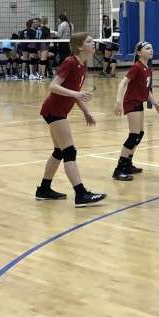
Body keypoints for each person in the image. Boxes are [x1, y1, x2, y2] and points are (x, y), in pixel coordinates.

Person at [34, 32, 106, 207]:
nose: (93, 43)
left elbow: (74, 92)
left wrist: (85, 111)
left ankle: (44, 189)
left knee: (59, 151)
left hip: (58, 111)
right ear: (80, 46)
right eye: (89, 41)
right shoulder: (70, 62)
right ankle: (81, 194)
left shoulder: (83, 65)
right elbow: (53, 86)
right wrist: (76, 94)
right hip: (54, 110)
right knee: (69, 151)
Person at [111, 41, 159, 180]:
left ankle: (128, 163)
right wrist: (118, 101)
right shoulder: (137, 67)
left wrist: (156, 104)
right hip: (131, 102)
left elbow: (146, 90)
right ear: (139, 52)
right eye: (147, 48)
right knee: (133, 135)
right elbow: (123, 82)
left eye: (152, 48)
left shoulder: (147, 68)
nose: (151, 50)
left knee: (139, 134)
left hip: (139, 102)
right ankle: (119, 169)